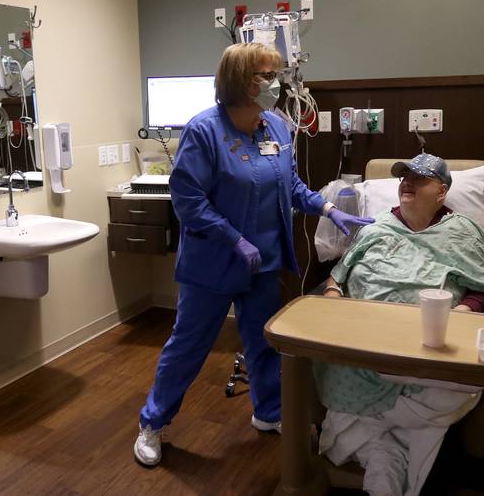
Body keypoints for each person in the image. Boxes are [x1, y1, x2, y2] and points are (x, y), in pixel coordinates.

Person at [133, 43, 374, 466]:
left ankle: (268, 412)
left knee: (264, 343)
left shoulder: (277, 128)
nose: (276, 83)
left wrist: (329, 208)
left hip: (263, 261)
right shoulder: (204, 131)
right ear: (241, 81)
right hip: (213, 262)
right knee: (188, 346)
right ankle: (153, 423)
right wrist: (232, 238)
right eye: (268, 74)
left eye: (276, 73)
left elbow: (291, 187)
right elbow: (187, 199)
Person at [317, 153, 484, 495]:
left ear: (442, 192)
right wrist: (333, 301)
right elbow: (337, 277)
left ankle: (383, 455)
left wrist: (463, 311)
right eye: (405, 177)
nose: (407, 183)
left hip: (429, 352)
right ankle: (390, 457)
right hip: (365, 347)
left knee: (450, 386)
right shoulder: (375, 228)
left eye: (419, 178)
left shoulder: (463, 232)